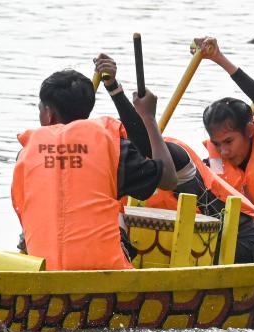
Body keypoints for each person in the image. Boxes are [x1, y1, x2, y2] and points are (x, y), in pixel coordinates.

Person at [93, 53, 254, 262]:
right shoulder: (116, 170)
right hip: (186, 242)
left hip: (237, 239)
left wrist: (115, 90)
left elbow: (144, 145)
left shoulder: (174, 154)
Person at [11, 70, 176, 270]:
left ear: (48, 114)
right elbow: (169, 178)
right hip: (104, 274)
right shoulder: (114, 148)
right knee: (118, 211)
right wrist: (148, 117)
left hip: (42, 273)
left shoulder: (25, 155)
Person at [188, 37, 254, 260]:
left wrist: (220, 59)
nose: (224, 151)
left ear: (249, 130)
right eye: (217, 144)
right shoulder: (214, 162)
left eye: (229, 142)